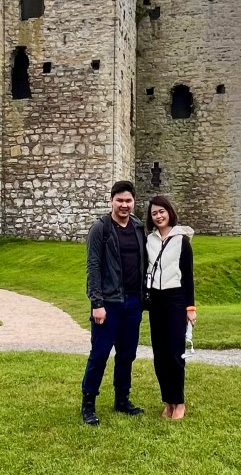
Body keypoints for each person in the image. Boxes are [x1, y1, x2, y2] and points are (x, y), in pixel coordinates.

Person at [80, 180, 147, 426]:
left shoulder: (139, 227)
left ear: (133, 202)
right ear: (111, 201)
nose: (124, 205)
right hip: (108, 303)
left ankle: (122, 399)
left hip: (133, 302)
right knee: (99, 354)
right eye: (119, 200)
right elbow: (93, 267)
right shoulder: (101, 229)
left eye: (128, 201)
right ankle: (88, 404)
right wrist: (97, 303)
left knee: (127, 355)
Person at [145, 194, 196, 420]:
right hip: (156, 300)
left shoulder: (181, 239)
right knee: (160, 354)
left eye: (162, 211)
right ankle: (168, 401)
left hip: (176, 299)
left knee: (175, 354)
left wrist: (190, 307)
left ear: (169, 212)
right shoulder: (150, 240)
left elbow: (188, 276)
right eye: (154, 213)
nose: (158, 216)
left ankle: (180, 402)